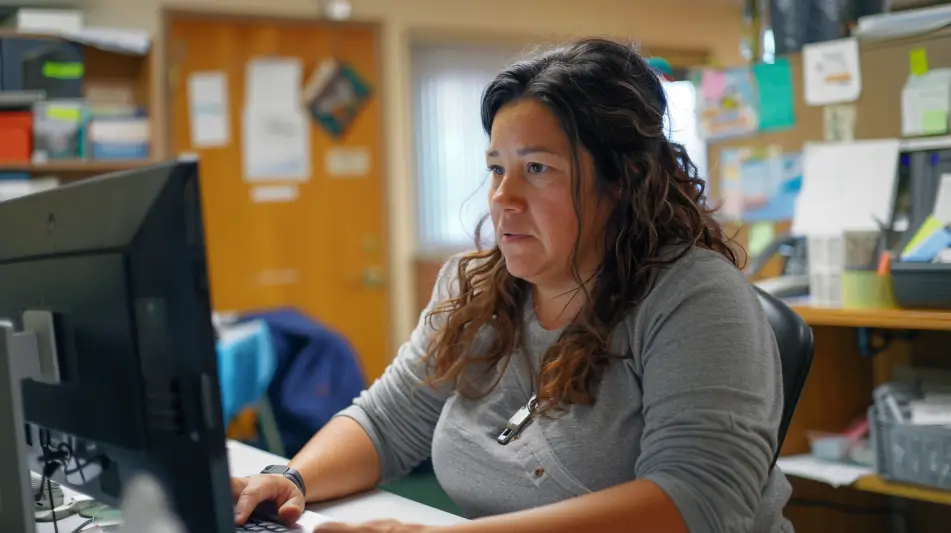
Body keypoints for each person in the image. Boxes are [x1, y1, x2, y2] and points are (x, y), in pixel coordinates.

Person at [231, 38, 793, 533]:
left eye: (538, 168)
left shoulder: (696, 299)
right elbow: (387, 421)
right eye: (497, 168)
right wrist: (291, 476)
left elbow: (698, 505)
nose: (503, 196)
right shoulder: (474, 288)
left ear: (622, 180)